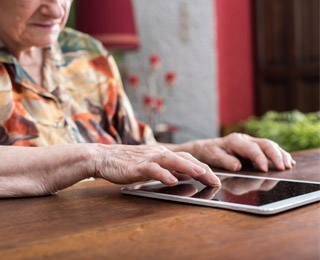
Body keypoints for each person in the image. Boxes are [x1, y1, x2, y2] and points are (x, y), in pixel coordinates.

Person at [0, 0, 295, 198]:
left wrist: (199, 150)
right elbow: (107, 157)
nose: (55, 9)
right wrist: (94, 156)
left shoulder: (85, 51)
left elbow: (133, 151)